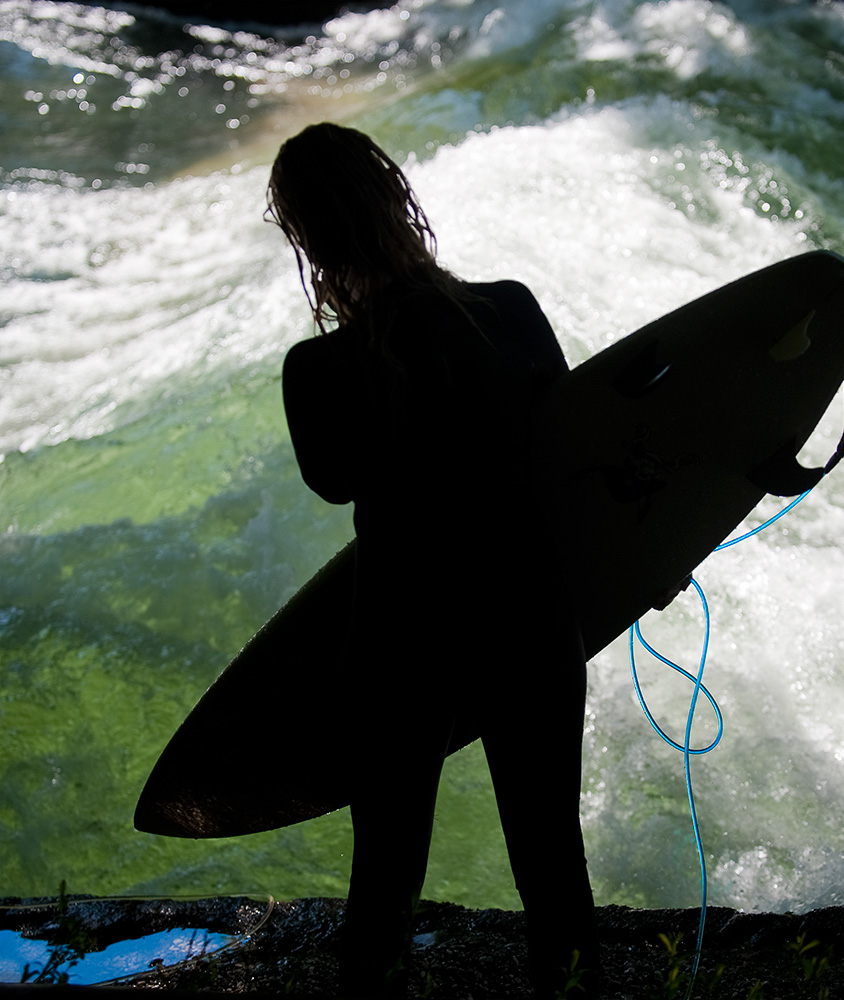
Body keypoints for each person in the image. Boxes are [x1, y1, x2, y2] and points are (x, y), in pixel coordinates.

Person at [267, 122, 600, 999]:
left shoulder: (316, 372)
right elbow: (572, 465)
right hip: (530, 617)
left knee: (382, 886)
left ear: (304, 237)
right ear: (398, 202)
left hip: (401, 637)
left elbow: (334, 480)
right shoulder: (513, 312)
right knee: (552, 863)